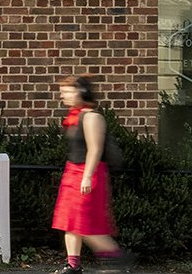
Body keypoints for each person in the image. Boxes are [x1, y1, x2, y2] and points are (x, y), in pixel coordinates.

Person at [51, 75, 126, 274]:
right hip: (72, 172)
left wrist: (87, 176)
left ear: (82, 92)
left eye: (67, 91)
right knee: (69, 222)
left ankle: (117, 261)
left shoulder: (92, 117)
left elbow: (95, 149)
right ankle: (73, 266)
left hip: (88, 173)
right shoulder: (74, 117)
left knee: (87, 225)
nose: (63, 96)